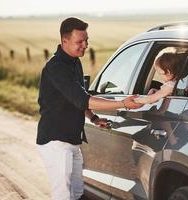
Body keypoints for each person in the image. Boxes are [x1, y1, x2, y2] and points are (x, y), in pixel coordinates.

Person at [36, 17, 142, 200]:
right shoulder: (56, 67)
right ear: (64, 41)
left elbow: (77, 98)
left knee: (77, 193)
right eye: (79, 41)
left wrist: (93, 118)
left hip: (72, 141)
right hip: (56, 142)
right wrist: (123, 103)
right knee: (63, 196)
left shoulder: (74, 61)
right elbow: (83, 99)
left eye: (86, 40)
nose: (85, 45)